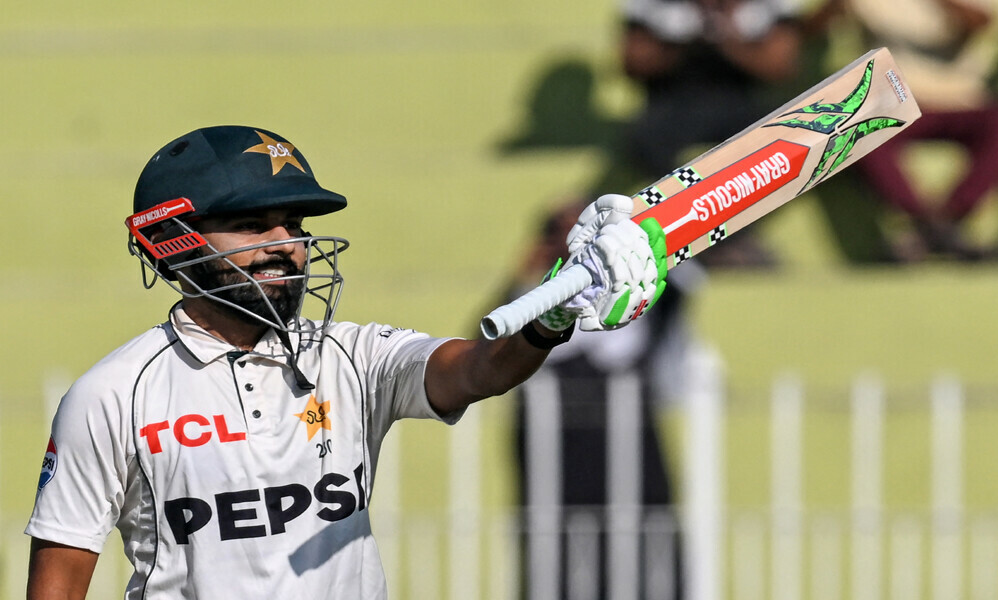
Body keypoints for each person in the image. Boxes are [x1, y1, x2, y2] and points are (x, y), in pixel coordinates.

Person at [23, 125, 669, 599]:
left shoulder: (351, 356)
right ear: (171, 240)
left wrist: (552, 315)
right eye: (254, 226)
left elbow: (478, 370)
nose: (288, 246)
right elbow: (58, 580)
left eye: (294, 223)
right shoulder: (113, 393)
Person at [504, 198, 699, 599]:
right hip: (556, 468)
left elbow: (675, 377)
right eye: (564, 232)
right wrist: (530, 272)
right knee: (558, 568)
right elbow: (487, 350)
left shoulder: (657, 299)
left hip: (637, 459)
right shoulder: (526, 304)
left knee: (650, 564)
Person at [592, 0, 805, 267]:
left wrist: (726, 34)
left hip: (740, 103)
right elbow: (633, 62)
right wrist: (688, 34)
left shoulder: (769, 6)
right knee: (645, 141)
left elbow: (780, 66)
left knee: (792, 139)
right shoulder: (652, 6)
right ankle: (685, 239)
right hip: (671, 105)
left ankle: (723, 240)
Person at [837, 0, 998, 260]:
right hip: (895, 100)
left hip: (962, 98)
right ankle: (928, 223)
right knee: (862, 127)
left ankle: (945, 221)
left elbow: (980, 22)